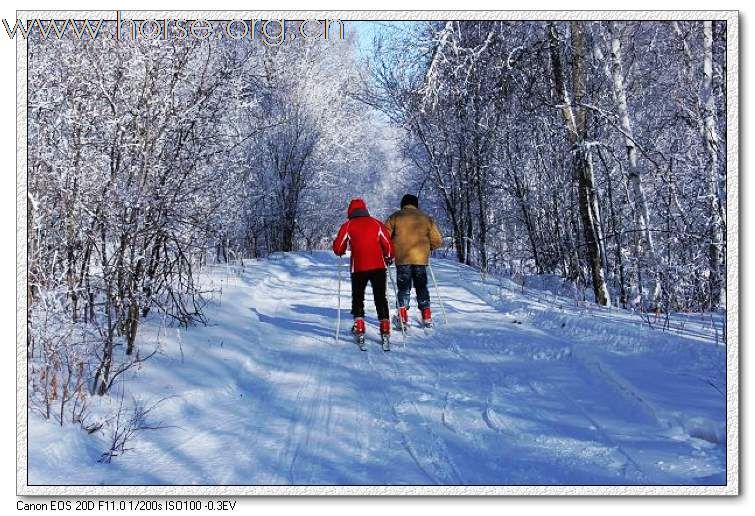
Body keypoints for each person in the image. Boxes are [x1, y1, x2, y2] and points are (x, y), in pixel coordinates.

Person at [332, 198, 395, 349]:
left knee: (358, 297)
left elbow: (339, 247)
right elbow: (388, 245)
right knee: (380, 297)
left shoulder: (348, 225)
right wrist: (388, 257)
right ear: (365, 209)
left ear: (350, 211)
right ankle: (385, 327)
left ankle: (359, 328)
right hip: (378, 266)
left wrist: (340, 250)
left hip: (358, 267)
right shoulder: (376, 223)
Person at [385, 194, 443, 329]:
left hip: (403, 259)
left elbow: (385, 237)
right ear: (416, 204)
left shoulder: (395, 217)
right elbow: (438, 240)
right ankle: (427, 315)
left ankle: (402, 316)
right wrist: (428, 249)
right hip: (420, 260)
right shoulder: (426, 219)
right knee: (421, 287)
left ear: (403, 204)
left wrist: (388, 253)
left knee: (404, 288)